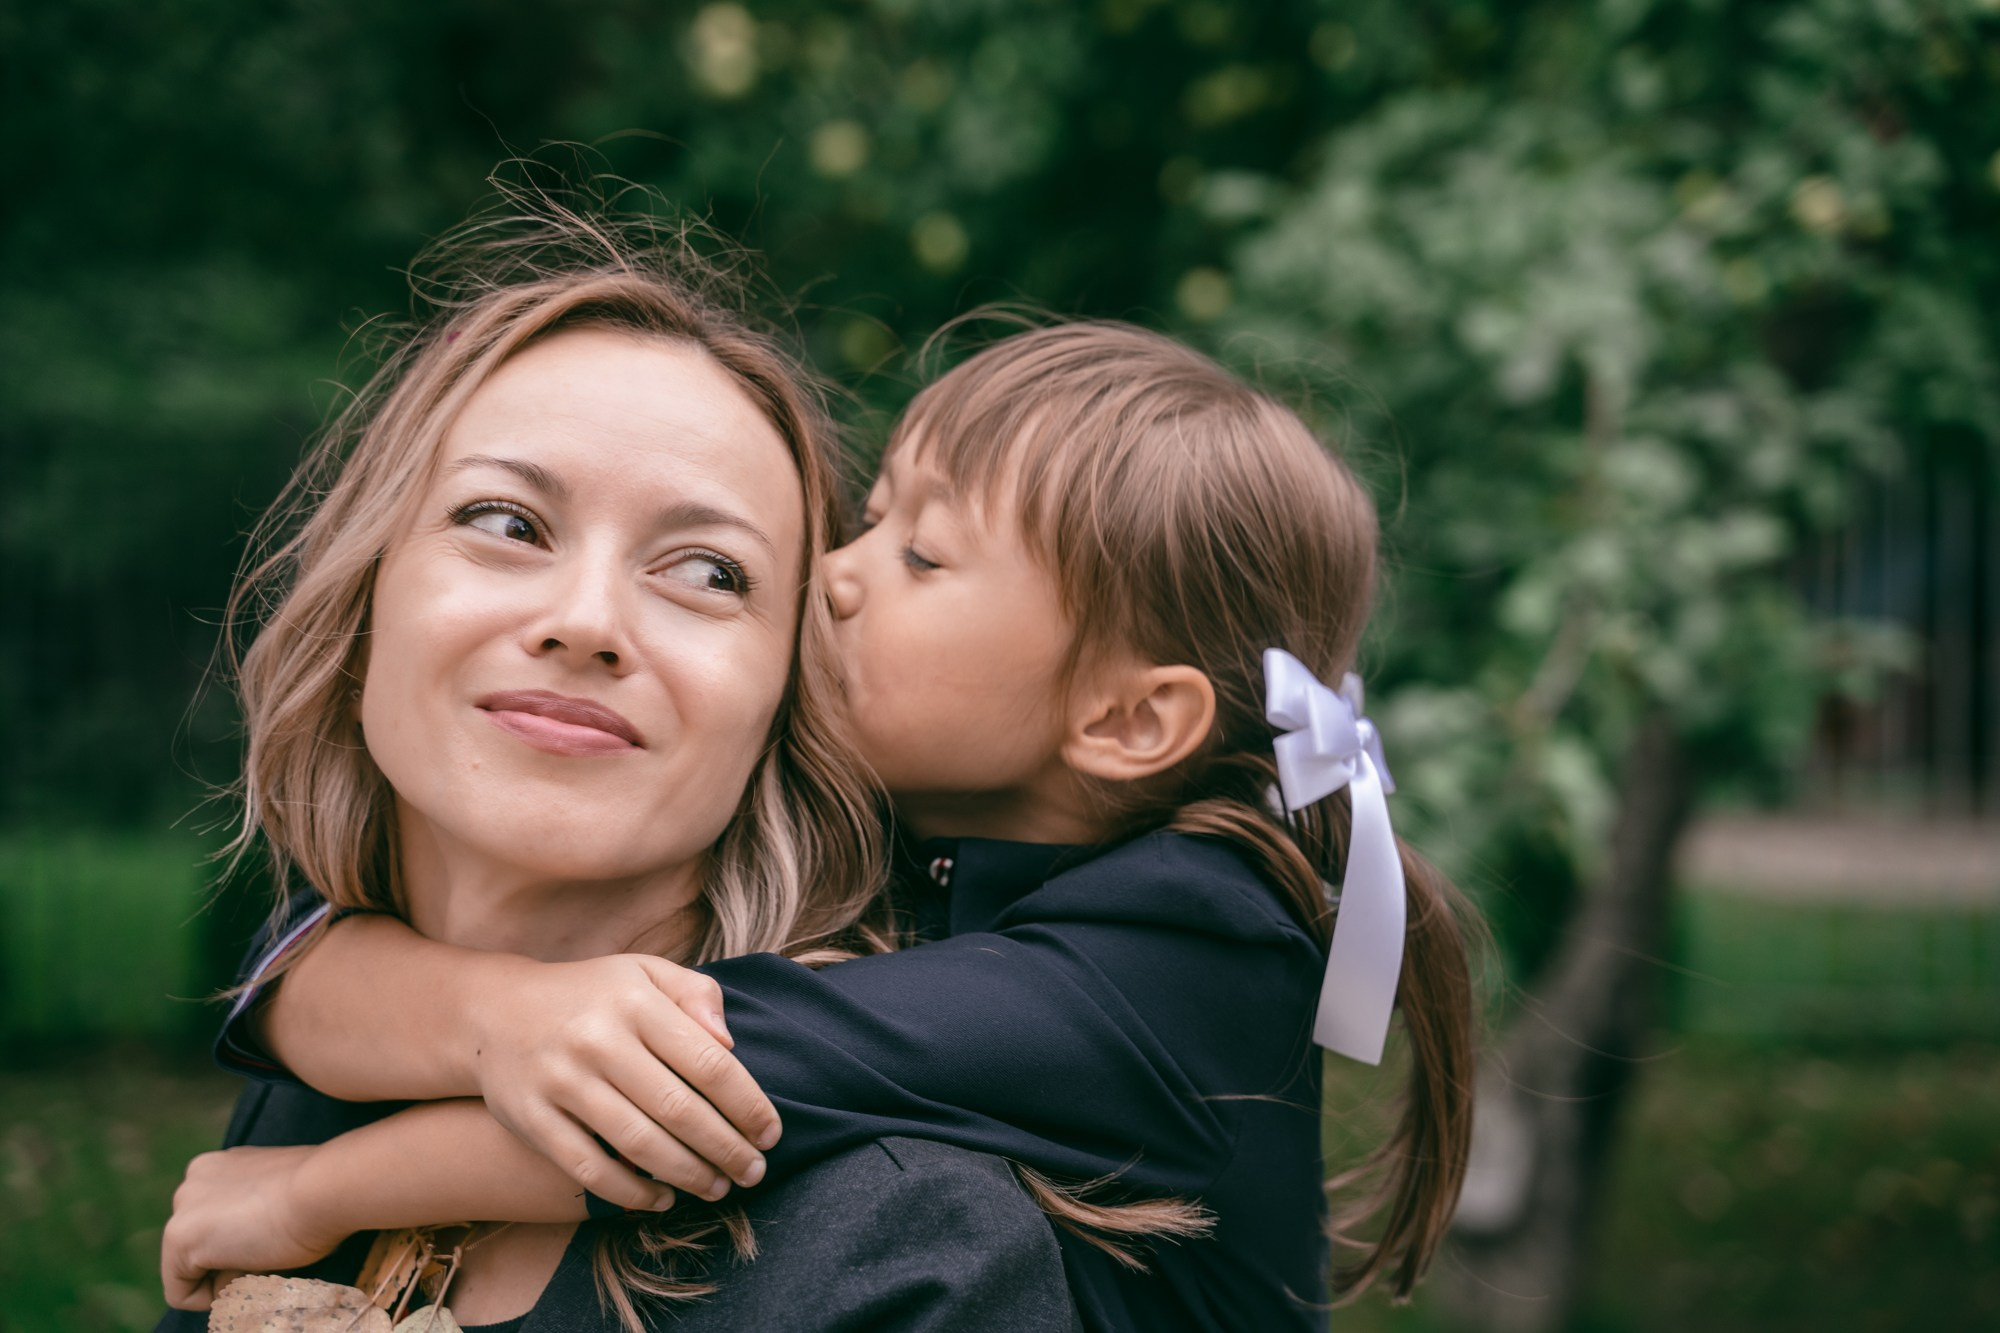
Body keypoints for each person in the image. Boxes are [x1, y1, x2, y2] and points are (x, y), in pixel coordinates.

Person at [164, 319, 1482, 1332]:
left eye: (920, 557)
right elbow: (300, 954)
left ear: (1131, 723)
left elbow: (685, 1094)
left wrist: (307, 1200)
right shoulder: (977, 868)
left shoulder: (1185, 948)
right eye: (866, 520)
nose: (835, 581)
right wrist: (484, 1011)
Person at [150, 203, 1078, 1332]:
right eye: (506, 520)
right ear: (366, 598)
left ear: (790, 692)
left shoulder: (901, 1246)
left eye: (708, 572)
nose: (587, 621)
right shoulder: (312, 1081)